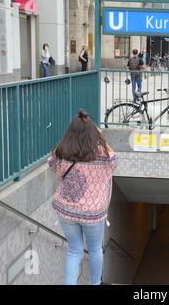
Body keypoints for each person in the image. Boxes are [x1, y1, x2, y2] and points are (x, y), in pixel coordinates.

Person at [48, 109, 117, 285]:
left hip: (66, 211)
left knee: (74, 251)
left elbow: (53, 165)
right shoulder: (103, 155)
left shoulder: (62, 152)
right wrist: (102, 138)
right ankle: (95, 284)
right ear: (94, 132)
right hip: (93, 214)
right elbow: (114, 162)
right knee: (95, 250)